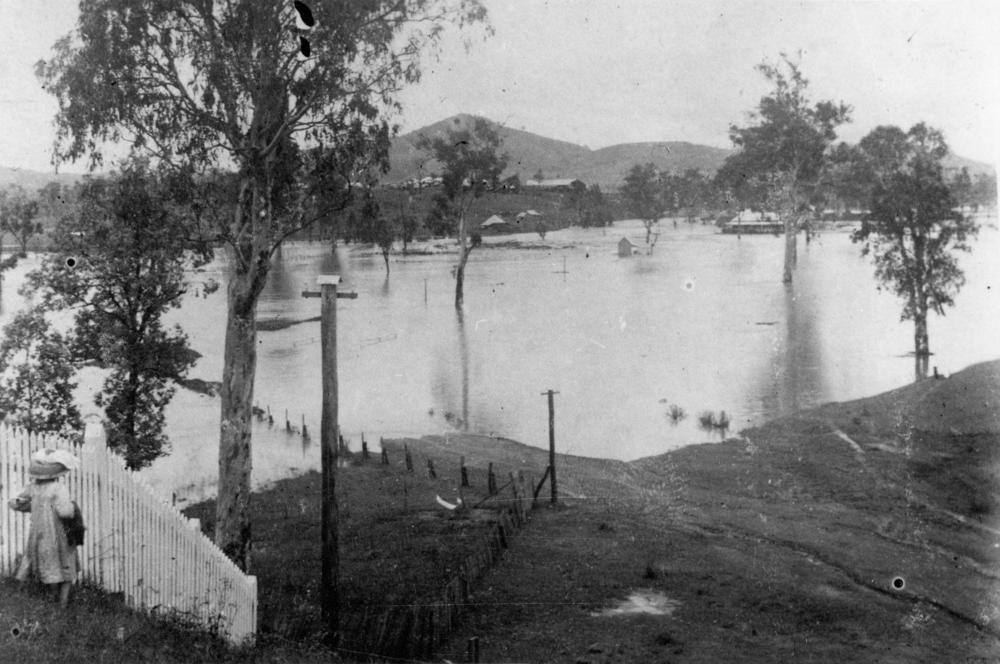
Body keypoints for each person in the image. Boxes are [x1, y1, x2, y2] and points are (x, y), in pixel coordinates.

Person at [8, 448, 80, 608]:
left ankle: (50, 597)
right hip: (58, 534)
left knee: (48, 565)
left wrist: (25, 504)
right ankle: (62, 604)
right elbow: (65, 512)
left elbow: (19, 502)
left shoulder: (33, 488)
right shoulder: (58, 488)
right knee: (65, 565)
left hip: (38, 535)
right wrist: (73, 508)